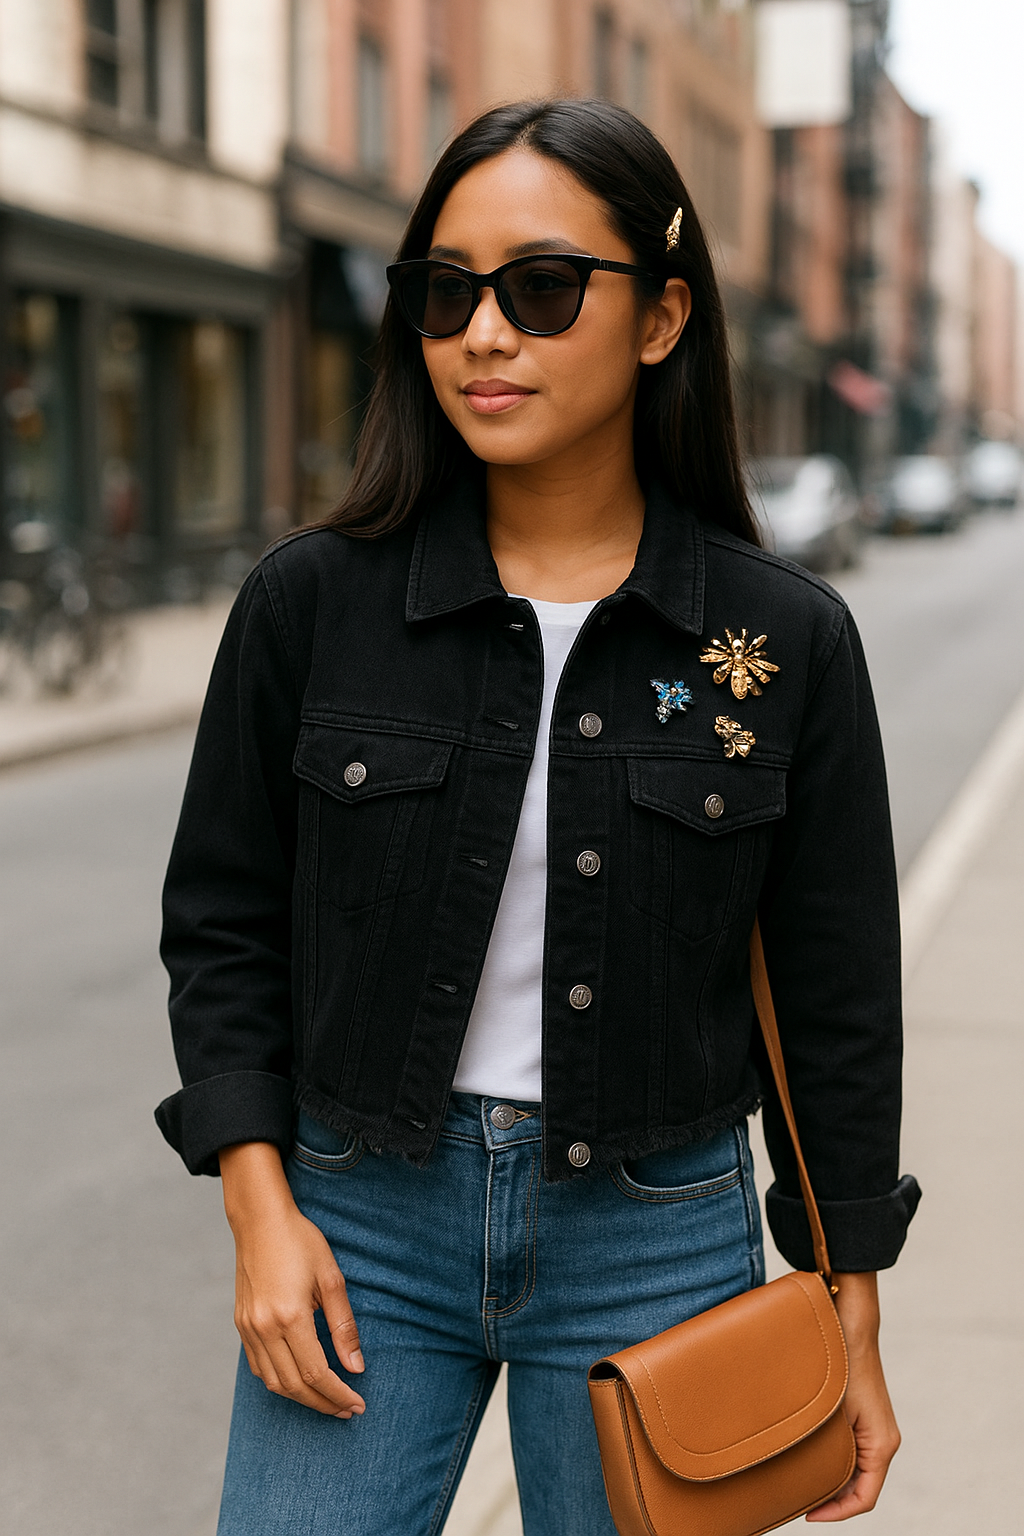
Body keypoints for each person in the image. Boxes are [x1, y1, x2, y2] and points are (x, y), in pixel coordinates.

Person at [157, 99, 920, 1536]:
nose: (484, 335)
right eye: (445, 293)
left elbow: (834, 998)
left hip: (655, 1240)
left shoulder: (779, 640)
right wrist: (260, 1211)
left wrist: (848, 1297)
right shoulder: (312, 606)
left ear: (661, 316)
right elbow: (221, 923)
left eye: (541, 287)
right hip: (357, 1228)